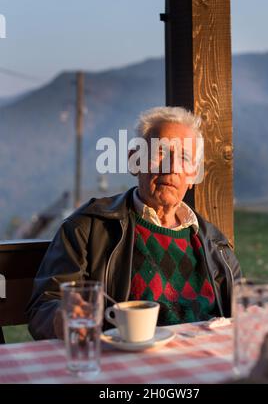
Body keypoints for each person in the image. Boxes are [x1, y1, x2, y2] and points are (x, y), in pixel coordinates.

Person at [27, 106, 241, 340]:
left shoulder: (215, 244)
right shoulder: (88, 228)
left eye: (183, 158)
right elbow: (45, 306)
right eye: (160, 152)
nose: (170, 167)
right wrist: (63, 315)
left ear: (192, 176)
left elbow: (244, 312)